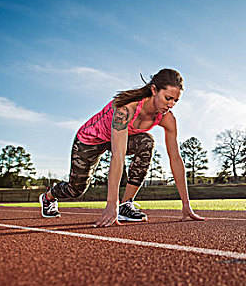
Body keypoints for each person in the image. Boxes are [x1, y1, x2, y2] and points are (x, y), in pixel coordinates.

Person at [39, 68, 205, 227]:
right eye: (168, 98)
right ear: (154, 90)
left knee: (146, 142)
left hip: (120, 139)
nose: (171, 104)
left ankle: (126, 204)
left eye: (175, 100)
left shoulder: (167, 119)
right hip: (90, 140)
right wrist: (111, 204)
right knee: (76, 189)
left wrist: (186, 204)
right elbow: (118, 155)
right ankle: (48, 196)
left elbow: (175, 159)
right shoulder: (126, 110)